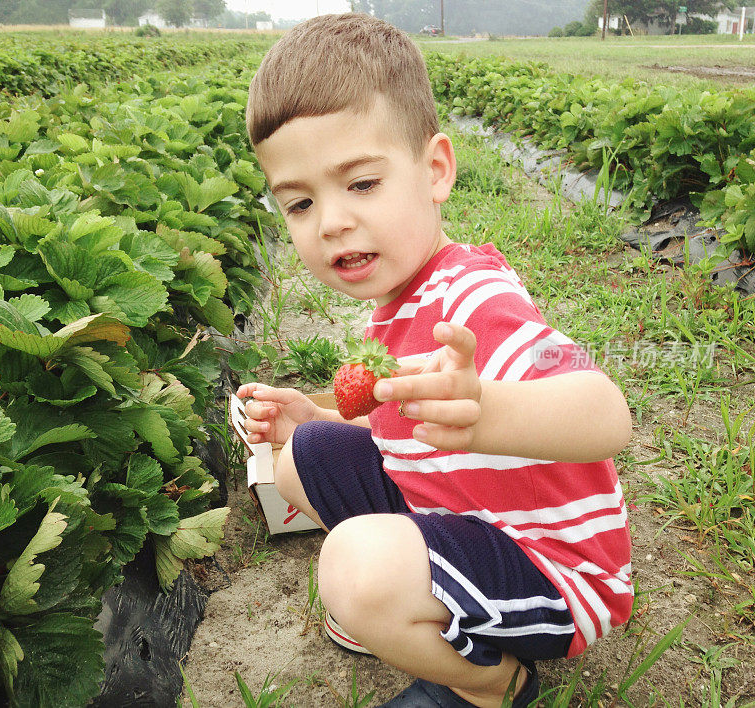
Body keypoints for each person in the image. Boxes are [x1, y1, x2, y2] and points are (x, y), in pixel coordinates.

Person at [237, 13, 633, 708]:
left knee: (355, 569)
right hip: (464, 512)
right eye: (300, 203)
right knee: (303, 451)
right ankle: (413, 603)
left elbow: (607, 416)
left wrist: (489, 409)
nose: (330, 220)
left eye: (361, 184)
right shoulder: (395, 305)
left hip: (550, 572)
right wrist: (313, 414)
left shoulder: (472, 300)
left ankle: (489, 683)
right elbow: (404, 435)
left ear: (436, 169)